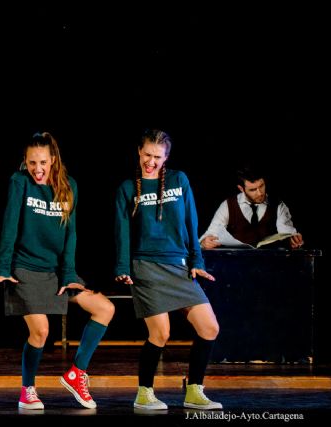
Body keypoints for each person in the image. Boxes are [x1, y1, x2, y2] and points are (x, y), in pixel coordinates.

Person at [0, 131, 115, 410]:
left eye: (43, 162)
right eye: (32, 162)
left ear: (53, 160)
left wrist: (69, 274)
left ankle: (76, 373)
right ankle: (27, 390)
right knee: (41, 331)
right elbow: (9, 226)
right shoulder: (20, 182)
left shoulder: (69, 186)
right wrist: (3, 268)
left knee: (105, 308)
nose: (38, 169)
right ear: (25, 160)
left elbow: (71, 234)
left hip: (56, 272)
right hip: (25, 269)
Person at [114, 129, 222, 411]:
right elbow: (122, 231)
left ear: (166, 158)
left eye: (157, 157)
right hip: (145, 267)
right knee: (160, 333)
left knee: (209, 327)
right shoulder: (128, 188)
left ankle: (194, 391)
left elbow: (191, 223)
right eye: (147, 155)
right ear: (139, 152)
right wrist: (123, 267)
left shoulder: (179, 180)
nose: (151, 162)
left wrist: (197, 261)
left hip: (178, 265)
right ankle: (144, 393)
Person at [199, 166, 304, 249]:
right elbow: (210, 234)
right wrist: (204, 242)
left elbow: (287, 233)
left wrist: (293, 240)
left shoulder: (278, 205)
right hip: (236, 263)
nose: (260, 193)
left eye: (261, 186)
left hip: (270, 262)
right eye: (253, 190)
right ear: (241, 189)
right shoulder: (228, 205)